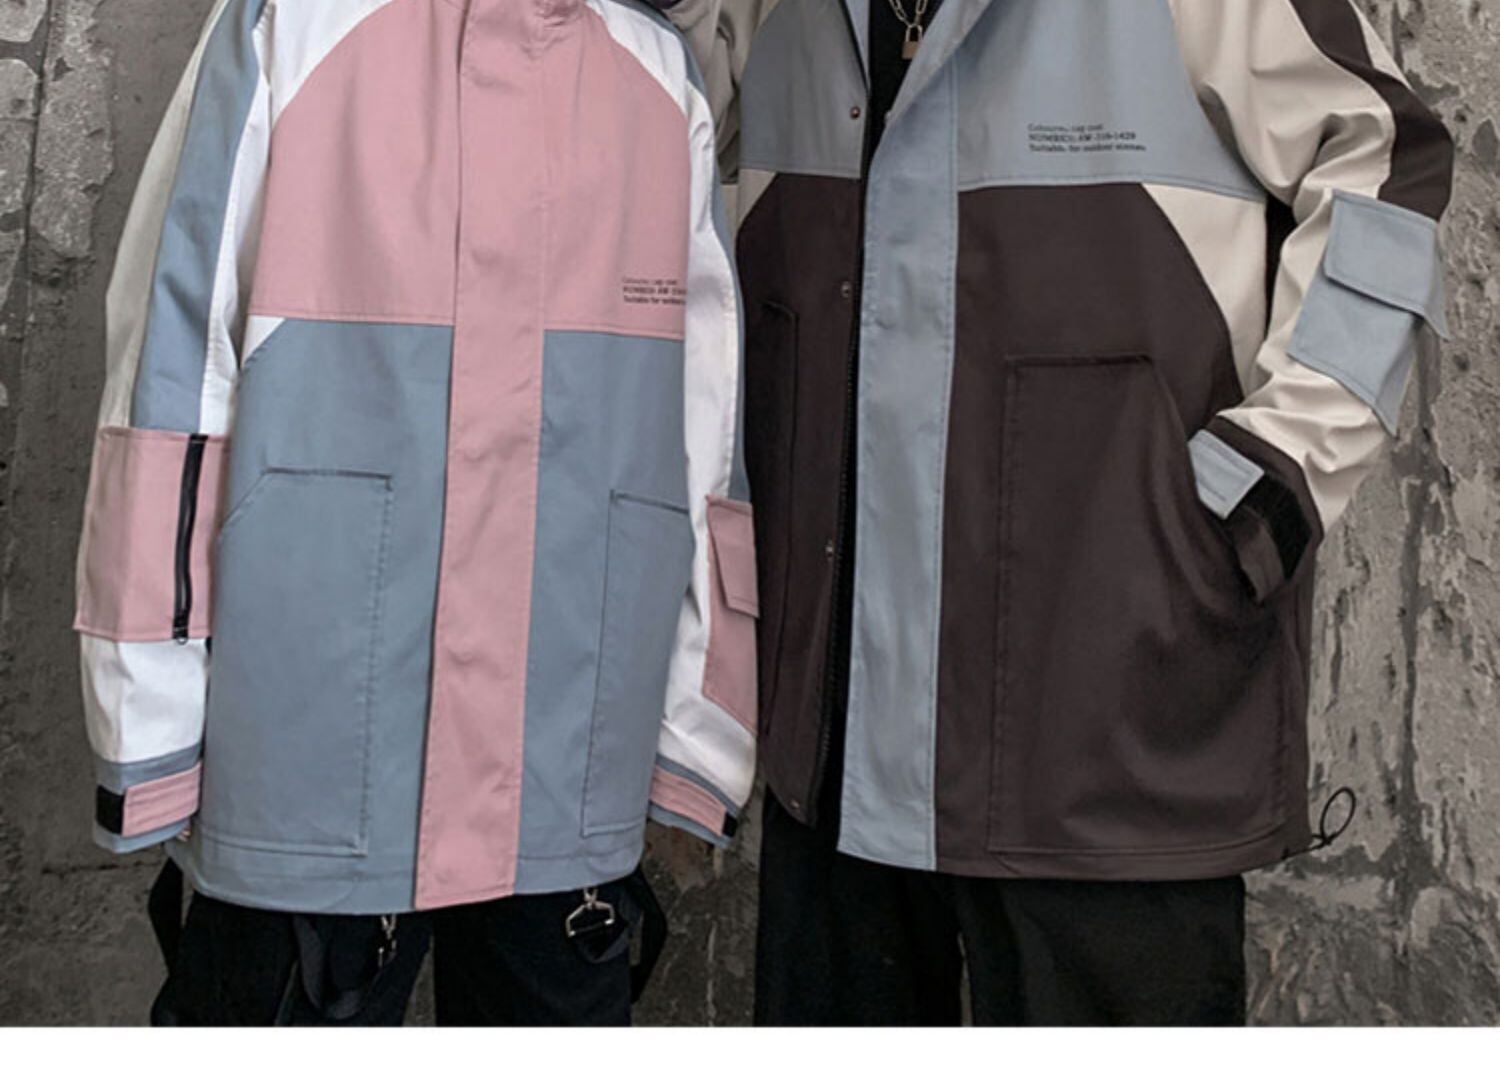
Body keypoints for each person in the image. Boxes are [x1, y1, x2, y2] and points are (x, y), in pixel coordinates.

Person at [655, 0, 1454, 1025]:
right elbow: (653, 135)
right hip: (835, 728)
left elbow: (1387, 165)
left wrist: (1275, 479)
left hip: (1106, 719)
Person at [73, 0, 754, 1026]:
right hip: (312, 741)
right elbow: (170, 374)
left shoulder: (657, 71)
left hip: (570, 749)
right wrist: (149, 721)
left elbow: (707, 432)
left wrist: (695, 735)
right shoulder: (292, 23)